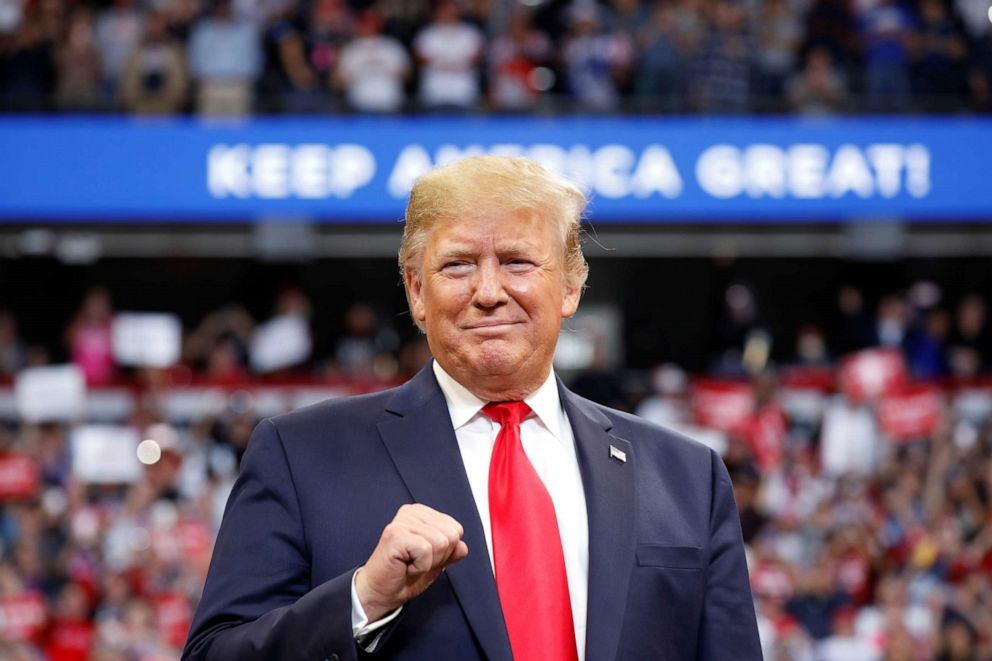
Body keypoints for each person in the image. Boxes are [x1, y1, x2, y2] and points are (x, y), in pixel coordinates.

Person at [183, 156, 761, 660]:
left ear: (570, 287)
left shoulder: (688, 476)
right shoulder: (301, 455)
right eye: (458, 264)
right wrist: (363, 600)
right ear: (416, 291)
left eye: (518, 262)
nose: (488, 291)